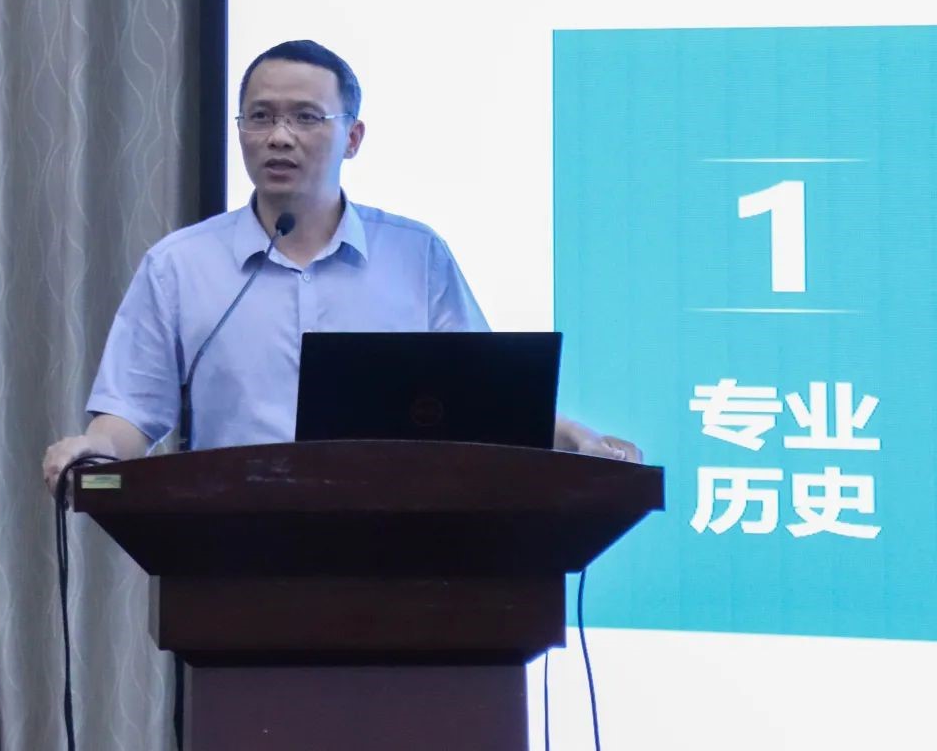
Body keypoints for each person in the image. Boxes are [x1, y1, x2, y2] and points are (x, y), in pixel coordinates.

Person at [43, 40, 641, 493]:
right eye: (260, 116)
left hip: (396, 548)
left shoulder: (416, 256)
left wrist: (577, 439)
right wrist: (94, 449)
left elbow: (486, 403)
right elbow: (130, 413)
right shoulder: (180, 266)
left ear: (353, 138)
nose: (279, 136)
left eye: (306, 117)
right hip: (232, 555)